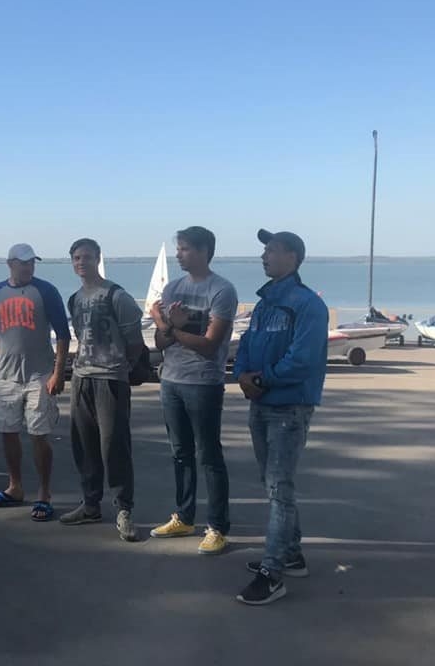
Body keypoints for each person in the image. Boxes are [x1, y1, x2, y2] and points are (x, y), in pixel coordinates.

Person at [234, 229, 328, 606]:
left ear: (293, 257)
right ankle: (291, 554)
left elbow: (302, 360)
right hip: (260, 404)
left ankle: (272, 575)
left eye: (271, 250)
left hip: (289, 408)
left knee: (278, 488)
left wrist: (262, 380)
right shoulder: (265, 303)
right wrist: (242, 374)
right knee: (274, 484)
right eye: (264, 251)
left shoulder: (308, 305)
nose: (264, 256)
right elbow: (247, 344)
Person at [149, 227, 238, 555]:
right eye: (179, 249)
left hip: (203, 383)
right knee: (180, 453)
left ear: (203, 251)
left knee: (209, 456)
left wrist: (171, 326)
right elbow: (160, 343)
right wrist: (166, 328)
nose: (178, 254)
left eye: (185, 249)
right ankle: (184, 517)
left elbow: (210, 345)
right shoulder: (173, 288)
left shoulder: (222, 290)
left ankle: (217, 527)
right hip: (171, 380)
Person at [0, 243, 70, 522]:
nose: (28, 267)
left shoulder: (46, 291)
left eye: (31, 263)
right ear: (10, 264)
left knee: (39, 434)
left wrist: (58, 372)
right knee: (7, 431)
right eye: (23, 263)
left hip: (39, 375)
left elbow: (63, 333)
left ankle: (44, 493)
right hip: (6, 375)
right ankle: (14, 486)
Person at [60, 238, 145, 542]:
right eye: (76, 258)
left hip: (110, 378)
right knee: (84, 445)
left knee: (114, 446)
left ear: (98, 259)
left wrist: (123, 367)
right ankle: (90, 504)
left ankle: (124, 509)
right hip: (81, 376)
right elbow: (81, 336)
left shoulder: (116, 296)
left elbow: (135, 341)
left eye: (86, 257)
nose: (81, 262)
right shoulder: (74, 299)